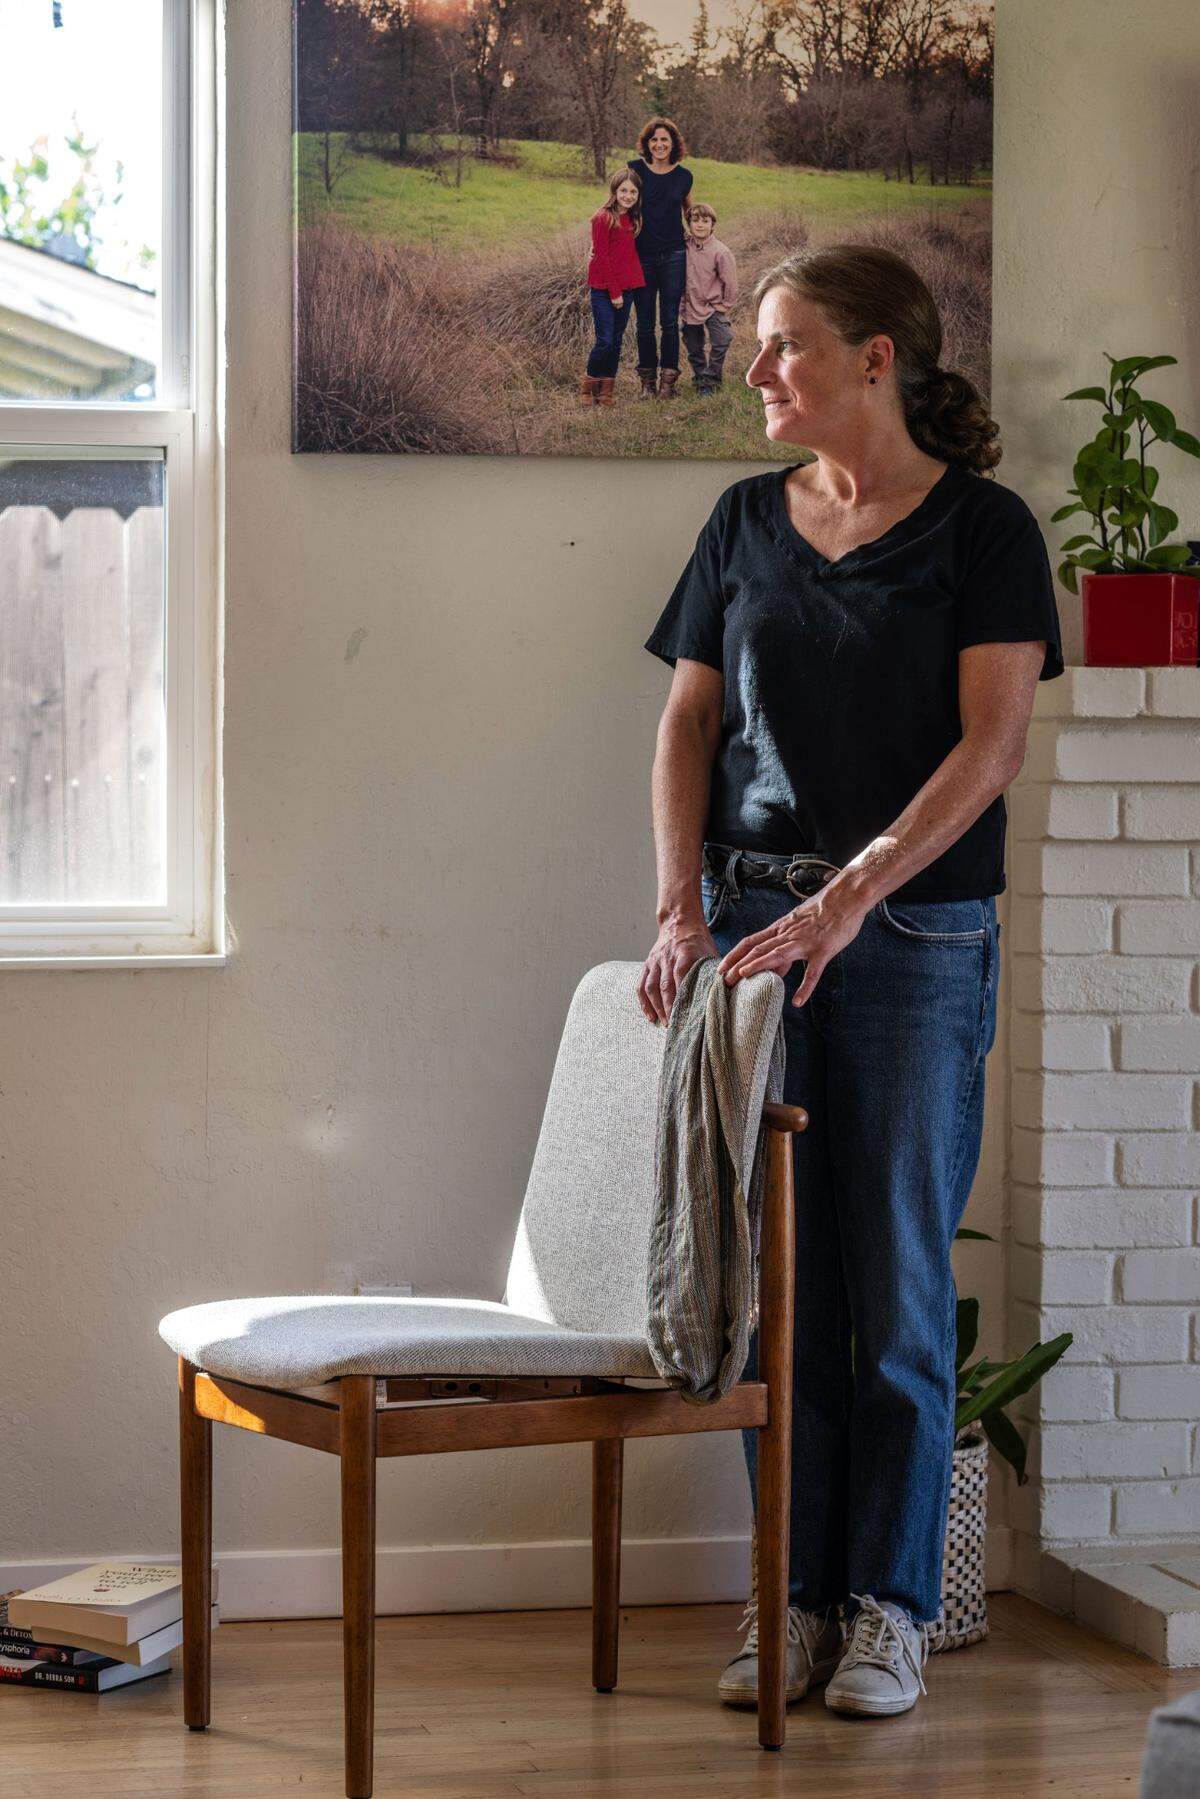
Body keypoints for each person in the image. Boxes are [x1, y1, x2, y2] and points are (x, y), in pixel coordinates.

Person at [638, 243, 1064, 1721]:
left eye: (785, 346)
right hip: (753, 942)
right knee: (771, 1291)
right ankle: (789, 1597)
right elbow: (689, 724)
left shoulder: (987, 532)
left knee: (889, 1276)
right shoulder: (743, 520)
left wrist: (849, 896)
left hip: (913, 938)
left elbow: (990, 747)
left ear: (878, 356)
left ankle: (884, 1605)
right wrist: (680, 905)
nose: (756, 372)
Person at [627, 117, 693, 400]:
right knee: (644, 322)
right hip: (641, 255)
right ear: (647, 143)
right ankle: (647, 383)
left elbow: (690, 213)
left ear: (673, 143)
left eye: (664, 139)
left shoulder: (684, 177)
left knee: (668, 320)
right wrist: (602, 240)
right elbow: (619, 204)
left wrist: (705, 239)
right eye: (654, 139)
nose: (659, 144)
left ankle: (668, 383)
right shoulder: (635, 170)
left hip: (674, 255)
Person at [583, 168, 646, 407]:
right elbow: (602, 257)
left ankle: (606, 390)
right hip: (604, 288)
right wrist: (614, 292)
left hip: (627, 287)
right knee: (605, 341)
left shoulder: (634, 218)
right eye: (623, 190)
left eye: (633, 191)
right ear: (614, 190)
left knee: (617, 341)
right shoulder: (603, 217)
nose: (628, 196)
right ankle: (588, 386)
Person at [681, 202, 737, 396]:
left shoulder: (720, 251)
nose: (700, 225)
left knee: (722, 339)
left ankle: (711, 376)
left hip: (713, 305)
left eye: (705, 221)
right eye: (695, 220)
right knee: (693, 346)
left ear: (712, 224)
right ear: (689, 224)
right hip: (689, 305)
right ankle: (701, 378)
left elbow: (730, 281)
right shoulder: (685, 245)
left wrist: (725, 304)